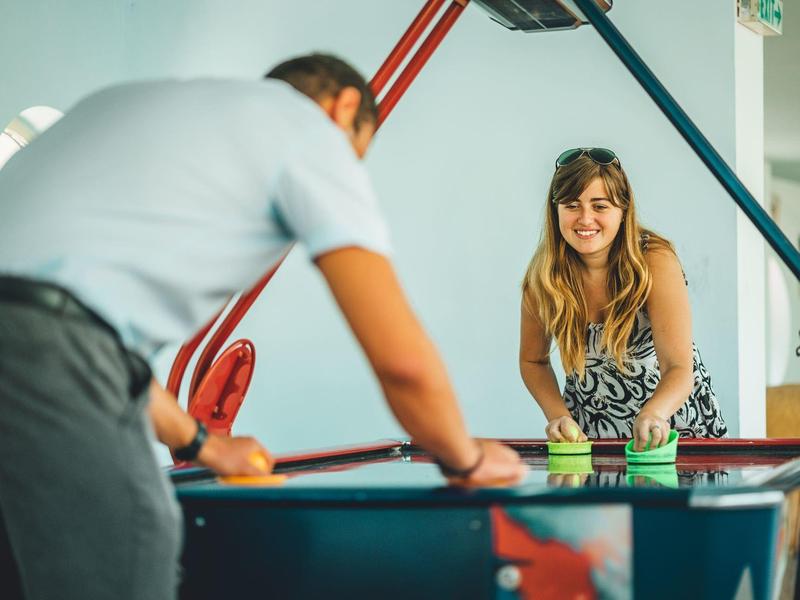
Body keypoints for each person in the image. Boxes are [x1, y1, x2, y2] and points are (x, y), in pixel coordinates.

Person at [0, 54, 525, 600]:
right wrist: (466, 457)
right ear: (344, 107)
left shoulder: (129, 107)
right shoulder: (309, 130)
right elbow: (403, 362)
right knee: (134, 553)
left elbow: (88, 335)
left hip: (48, 356)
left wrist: (203, 444)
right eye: (357, 153)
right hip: (51, 356)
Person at [519, 148, 728, 453]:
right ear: (556, 211)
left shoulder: (654, 260)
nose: (585, 218)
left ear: (623, 208)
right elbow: (532, 360)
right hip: (593, 435)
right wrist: (558, 416)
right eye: (572, 205)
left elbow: (678, 366)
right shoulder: (544, 276)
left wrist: (654, 413)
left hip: (674, 430)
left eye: (599, 205)